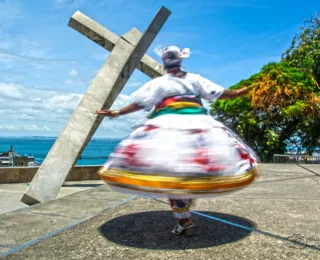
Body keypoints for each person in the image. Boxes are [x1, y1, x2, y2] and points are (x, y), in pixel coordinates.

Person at [96, 46, 259, 236]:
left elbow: (141, 103)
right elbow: (225, 93)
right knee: (188, 173)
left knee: (173, 175)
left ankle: (184, 221)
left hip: (167, 128)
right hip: (199, 127)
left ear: (165, 63)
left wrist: (117, 112)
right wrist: (245, 91)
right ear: (180, 61)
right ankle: (185, 212)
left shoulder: (161, 83)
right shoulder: (195, 79)